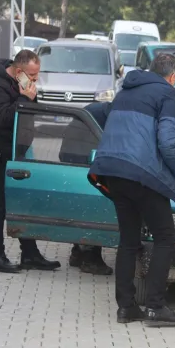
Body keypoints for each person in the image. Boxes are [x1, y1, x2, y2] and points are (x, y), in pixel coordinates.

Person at [88, 54, 175, 326]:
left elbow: (94, 112)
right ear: (172, 77)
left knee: (128, 240)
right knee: (165, 238)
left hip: (113, 172)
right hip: (143, 174)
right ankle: (155, 307)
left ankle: (126, 308)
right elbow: (169, 143)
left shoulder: (125, 92)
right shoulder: (167, 96)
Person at [0, 50, 61, 273]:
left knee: (22, 201)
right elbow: (3, 117)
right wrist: (24, 99)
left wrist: (29, 96)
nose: (34, 80)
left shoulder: (20, 82)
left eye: (37, 76)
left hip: (16, 150)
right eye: (32, 75)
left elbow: (31, 109)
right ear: (19, 70)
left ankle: (30, 254)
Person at [61, 101, 115, 276]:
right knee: (93, 209)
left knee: (83, 207)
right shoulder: (105, 118)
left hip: (74, 157)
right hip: (81, 160)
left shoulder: (99, 110)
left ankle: (77, 253)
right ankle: (90, 259)